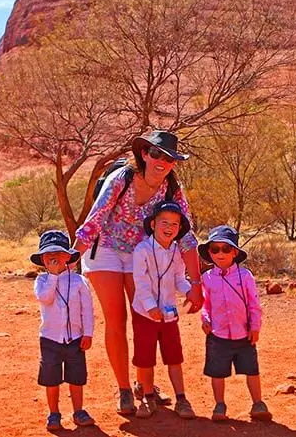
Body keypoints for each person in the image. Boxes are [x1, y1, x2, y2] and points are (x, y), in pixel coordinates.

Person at [74, 130, 203, 414]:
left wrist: (195, 282)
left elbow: (187, 235)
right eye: (157, 154)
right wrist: (71, 263)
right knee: (116, 319)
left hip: (140, 254)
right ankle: (123, 390)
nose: (162, 162)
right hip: (104, 249)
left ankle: (145, 386)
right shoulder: (122, 179)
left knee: (146, 318)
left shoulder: (172, 188)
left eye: (169, 158)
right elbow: (93, 222)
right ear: (144, 154)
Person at [131, 201, 197, 419]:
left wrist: (190, 291)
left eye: (175, 224)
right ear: (153, 224)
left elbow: (179, 277)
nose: (169, 227)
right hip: (145, 314)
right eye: (164, 222)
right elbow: (140, 282)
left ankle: (181, 399)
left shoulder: (176, 251)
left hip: (168, 315)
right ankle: (147, 397)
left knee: (174, 357)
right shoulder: (142, 250)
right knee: (145, 358)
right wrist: (150, 307)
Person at [199, 225, 271, 422]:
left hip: (243, 333)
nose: (220, 254)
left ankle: (258, 403)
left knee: (252, 370)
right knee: (217, 372)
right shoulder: (207, 278)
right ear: (209, 252)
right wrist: (205, 319)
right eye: (215, 249)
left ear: (235, 252)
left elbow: (254, 305)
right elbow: (206, 304)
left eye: (225, 249)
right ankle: (219, 405)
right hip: (218, 335)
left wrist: (255, 327)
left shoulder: (245, 276)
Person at [32, 230, 96, 430]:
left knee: (76, 377)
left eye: (59, 254)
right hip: (50, 340)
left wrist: (88, 333)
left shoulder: (79, 281)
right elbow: (45, 298)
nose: (54, 258)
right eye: (49, 255)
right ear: (42, 259)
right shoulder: (41, 281)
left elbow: (88, 309)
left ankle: (78, 411)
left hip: (75, 339)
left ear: (68, 256)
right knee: (51, 378)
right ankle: (53, 414)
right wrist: (52, 277)